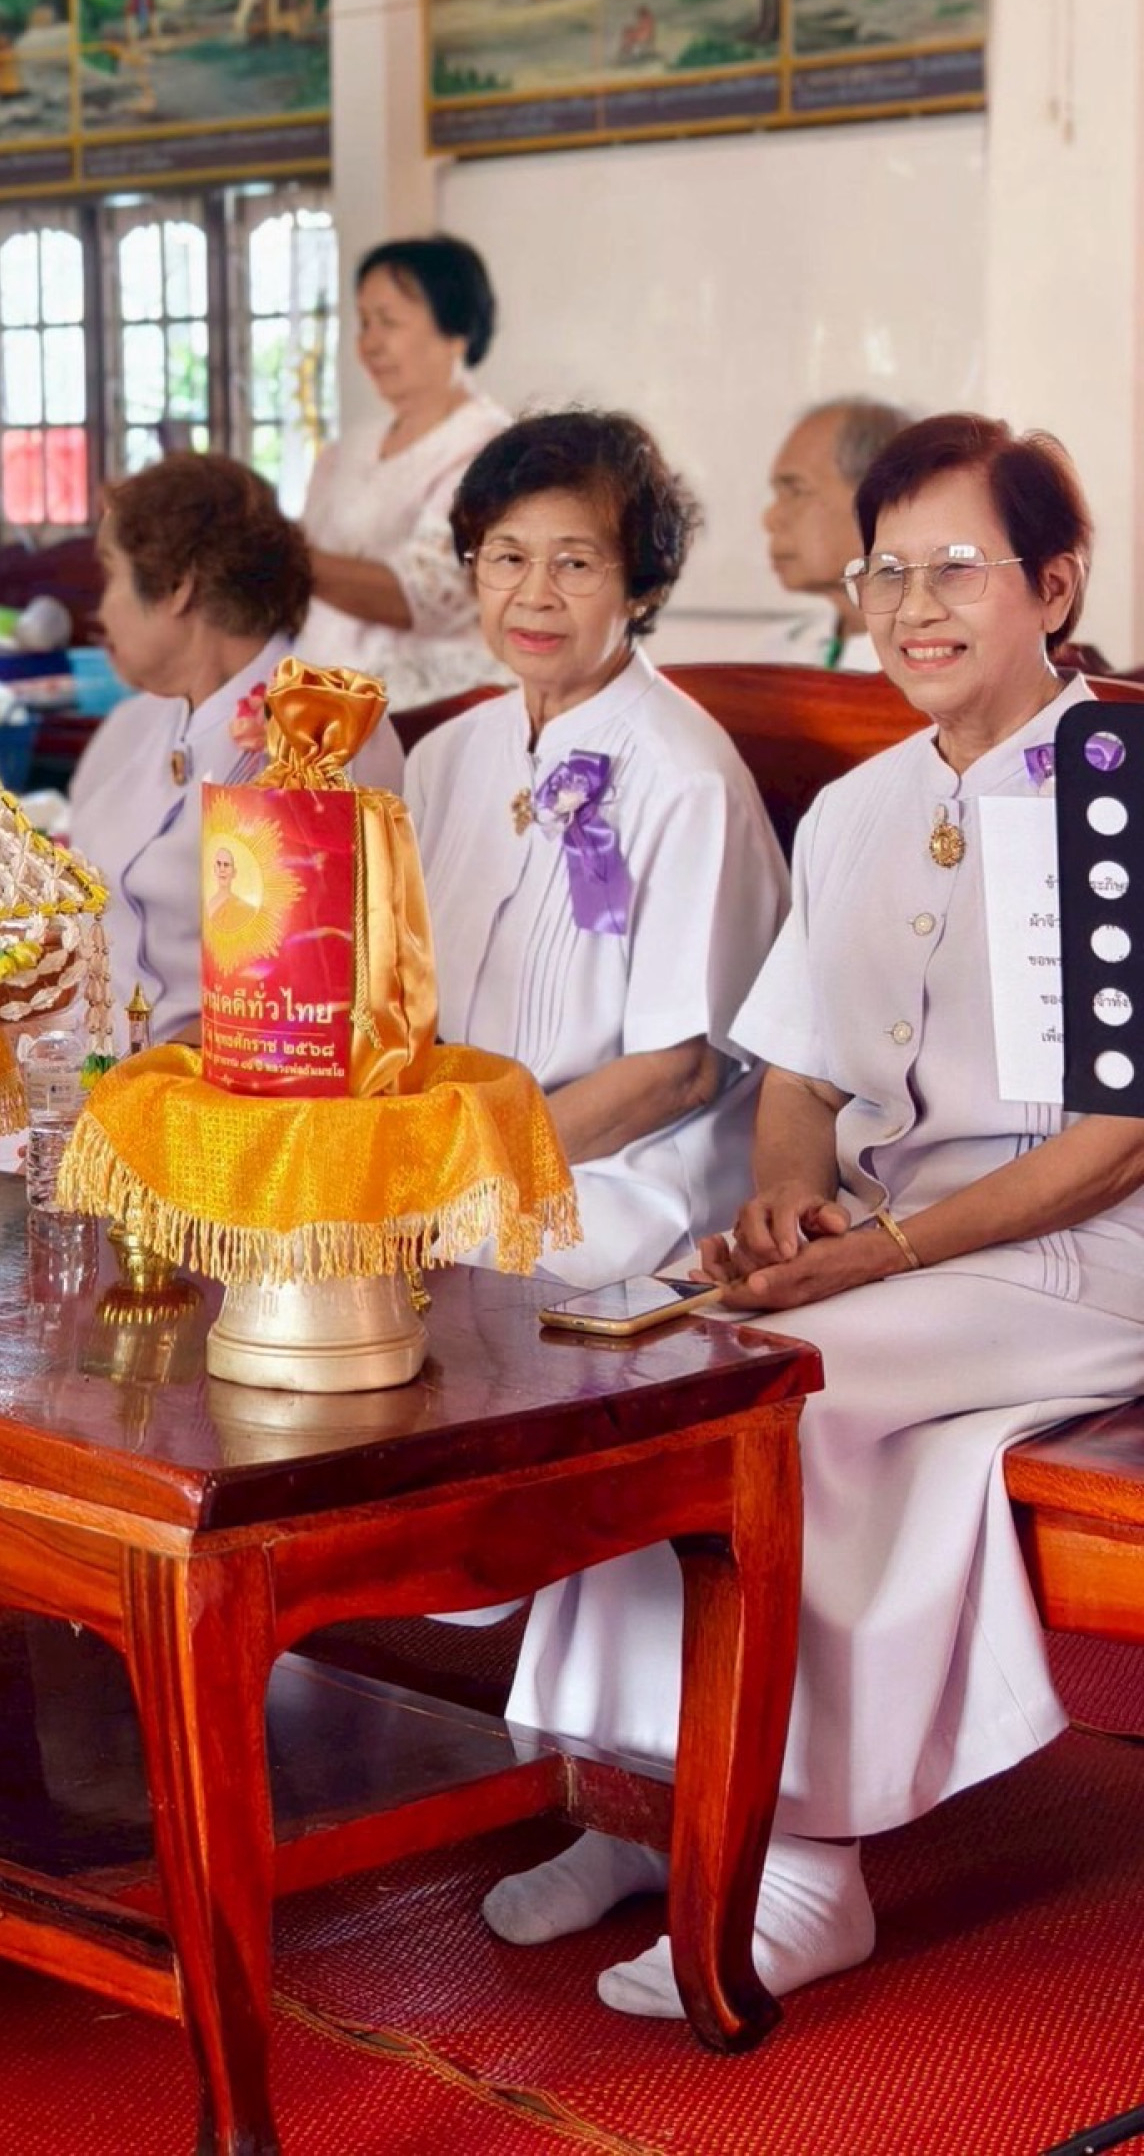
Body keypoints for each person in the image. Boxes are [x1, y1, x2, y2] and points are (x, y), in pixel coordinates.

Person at [483, 413, 1144, 2024]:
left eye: (960, 568)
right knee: (644, 1342)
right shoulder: (855, 805)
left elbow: (1119, 1144)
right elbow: (794, 1066)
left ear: (1054, 584)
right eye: (887, 569)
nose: (915, 604)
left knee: (782, 1389)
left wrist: (870, 1253)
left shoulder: (1119, 789)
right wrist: (789, 1191)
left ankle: (805, 1859)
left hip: (1080, 1250)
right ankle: (633, 1797)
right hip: (900, 1239)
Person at [407, 411, 787, 1285]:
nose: (534, 594)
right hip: (453, 1152)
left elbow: (678, 1073)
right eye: (506, 558)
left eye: (575, 563)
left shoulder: (686, 779)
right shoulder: (448, 757)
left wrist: (460, 1169)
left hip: (622, 1177)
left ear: (641, 588)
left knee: (398, 1267)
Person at [73, 451, 403, 1048]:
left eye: (111, 573)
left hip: (233, 1099)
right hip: (100, 1066)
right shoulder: (132, 726)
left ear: (176, 587)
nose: (101, 609)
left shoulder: (322, 734)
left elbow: (307, 1002)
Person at [297, 234, 509, 710]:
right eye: (363, 322)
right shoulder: (346, 450)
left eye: (388, 322)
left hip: (431, 711)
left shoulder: (489, 448)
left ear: (456, 332)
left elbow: (424, 598)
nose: (369, 343)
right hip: (322, 708)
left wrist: (277, 553)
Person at [760, 397, 912, 668]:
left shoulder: (932, 662)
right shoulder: (775, 652)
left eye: (795, 491)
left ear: (878, 498)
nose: (770, 519)